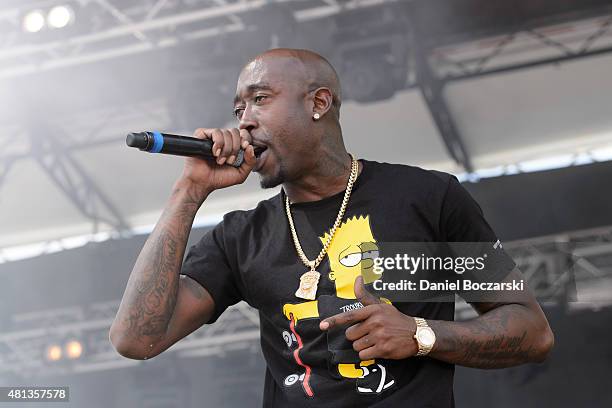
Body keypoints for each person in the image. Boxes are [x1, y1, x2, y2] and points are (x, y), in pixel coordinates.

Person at [109, 48, 554, 407]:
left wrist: (421, 334)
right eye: (238, 107)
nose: (243, 120)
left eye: (260, 99)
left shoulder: (426, 196)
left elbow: (531, 331)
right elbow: (137, 339)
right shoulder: (240, 236)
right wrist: (189, 190)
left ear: (319, 103)